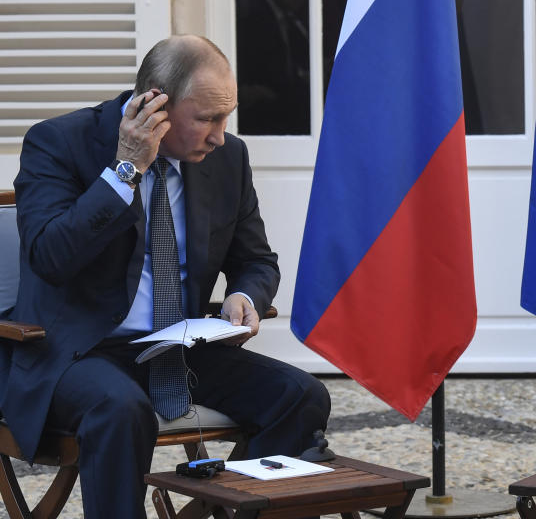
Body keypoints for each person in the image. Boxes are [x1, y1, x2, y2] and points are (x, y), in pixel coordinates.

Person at [4, 35, 331, 518]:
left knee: (301, 396)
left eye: (226, 117)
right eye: (207, 119)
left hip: (173, 347)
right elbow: (50, 257)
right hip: (75, 352)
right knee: (120, 409)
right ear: (154, 103)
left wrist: (246, 294)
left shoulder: (228, 159)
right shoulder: (57, 143)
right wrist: (125, 170)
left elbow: (257, 260)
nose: (220, 135)